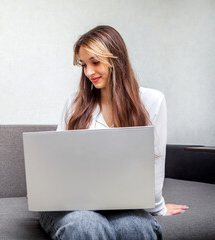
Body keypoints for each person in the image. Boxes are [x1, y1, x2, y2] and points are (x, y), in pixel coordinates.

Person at [39, 25, 189, 240]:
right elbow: (55, 160)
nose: (88, 72)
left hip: (123, 203)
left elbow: (155, 161)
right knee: (86, 225)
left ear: (116, 59)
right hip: (70, 204)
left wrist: (158, 207)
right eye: (83, 65)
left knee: (136, 228)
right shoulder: (74, 103)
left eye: (95, 62)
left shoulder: (152, 101)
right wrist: (44, 189)